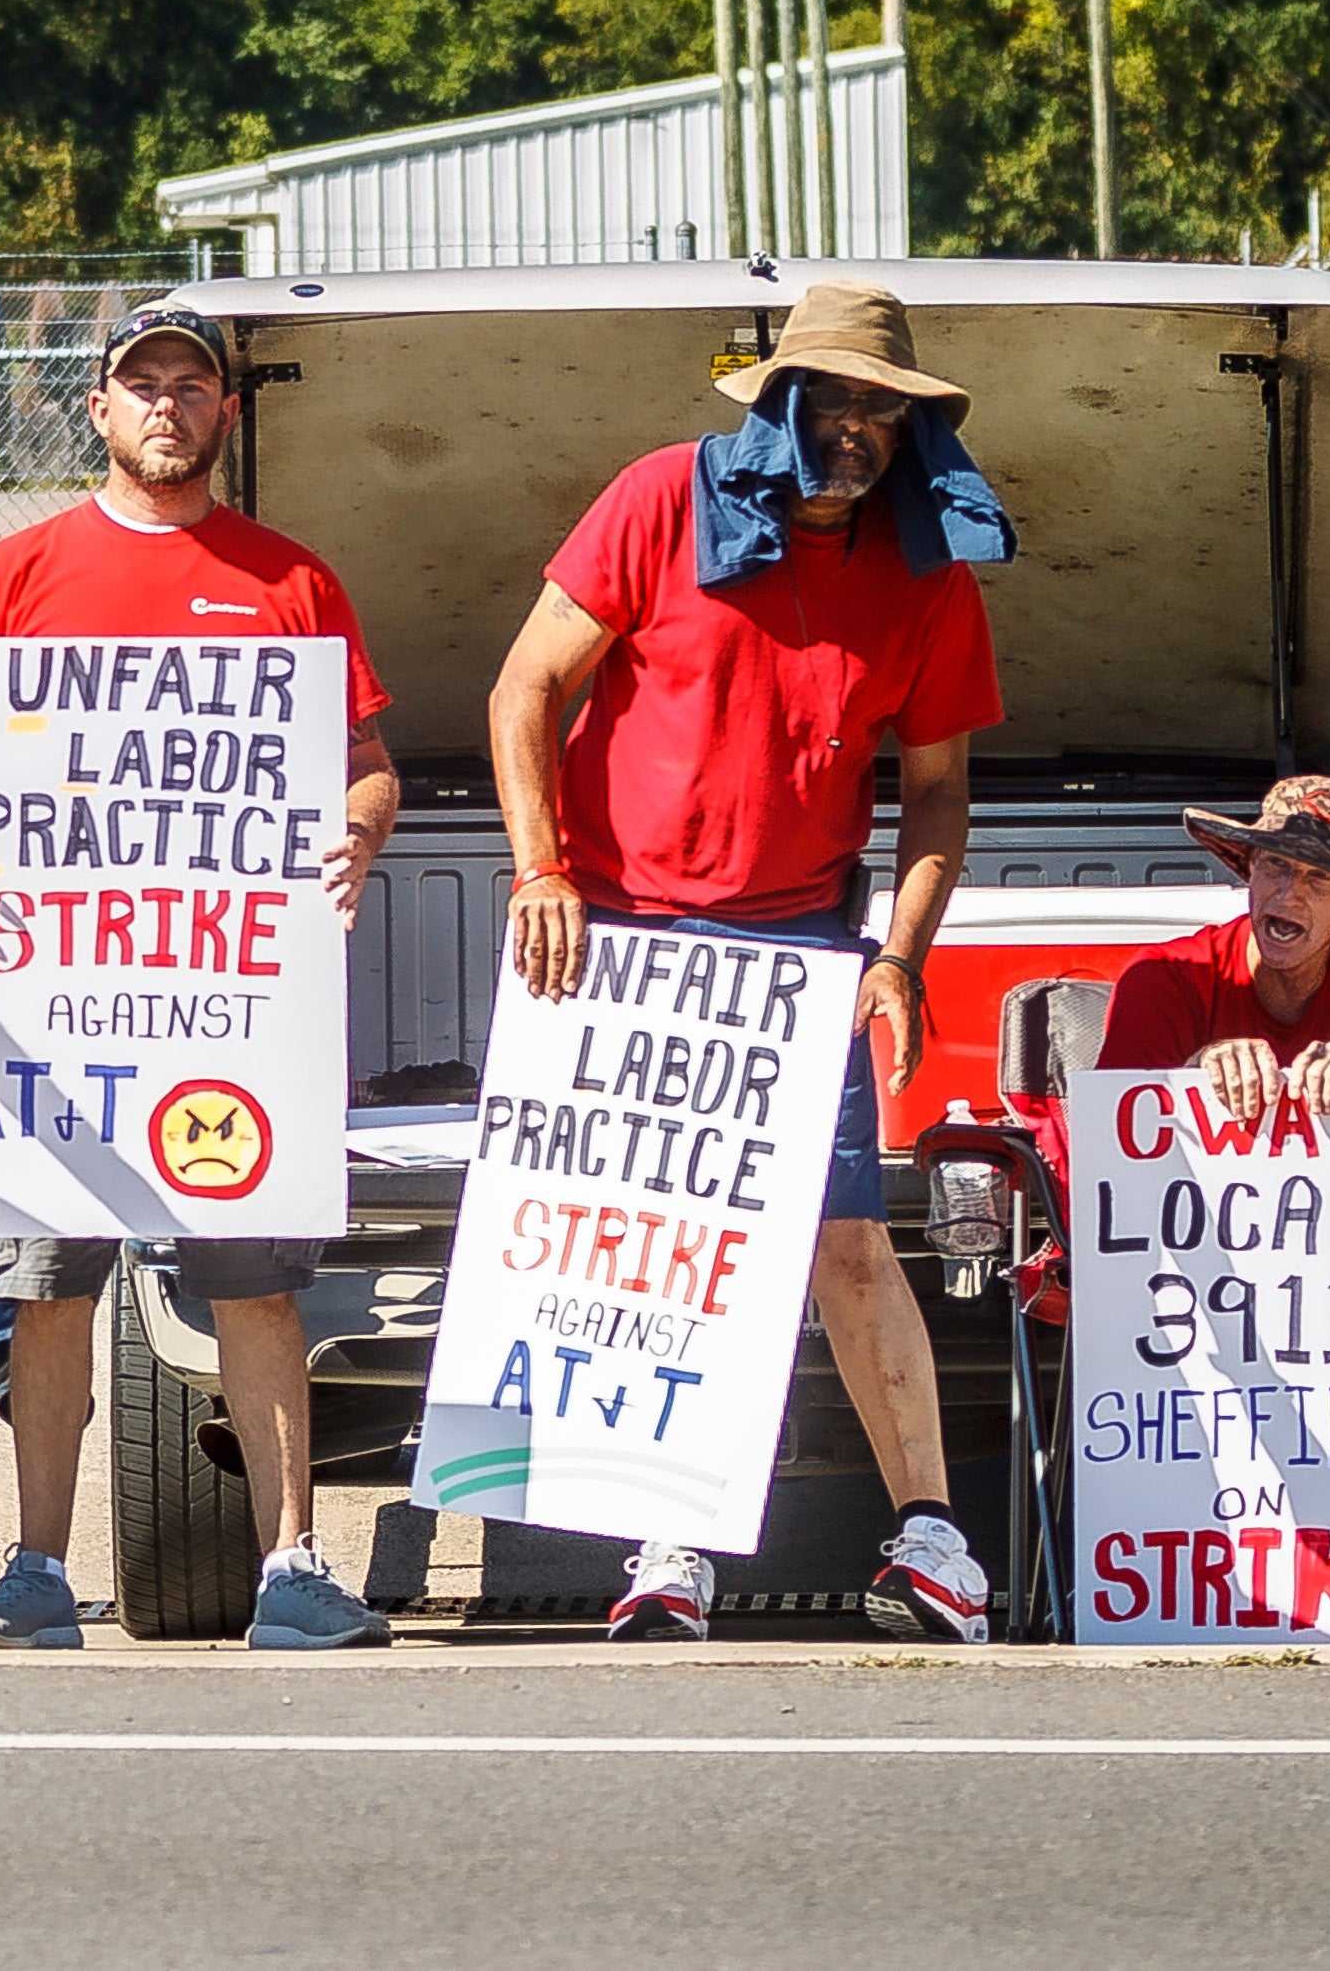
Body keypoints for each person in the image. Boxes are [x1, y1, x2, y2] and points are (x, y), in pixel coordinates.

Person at [485, 279, 1008, 1646]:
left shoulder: (927, 573)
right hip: (626, 943)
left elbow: (939, 791)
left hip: (800, 951)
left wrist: (899, 952)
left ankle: (937, 1544)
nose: (852, 428)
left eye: (879, 409)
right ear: (781, 402)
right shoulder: (663, 497)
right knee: (664, 1253)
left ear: (909, 428)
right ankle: (670, 1543)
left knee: (845, 1238)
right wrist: (544, 870)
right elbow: (524, 686)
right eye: (829, 399)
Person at [0, 300, 405, 1654]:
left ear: (225, 415)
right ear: (100, 408)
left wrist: (356, 833)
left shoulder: (290, 580)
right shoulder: (17, 575)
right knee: (47, 1284)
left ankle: (293, 1571)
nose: (168, 405)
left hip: (230, 1005)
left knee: (256, 1283)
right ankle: (30, 1576)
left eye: (193, 385)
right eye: (144, 384)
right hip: (55, 997)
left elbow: (365, 762)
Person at [1093, 776, 1330, 1122]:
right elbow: (1110, 1135)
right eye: (1276, 863)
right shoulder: (1166, 976)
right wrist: (1194, 1073)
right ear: (1250, 865)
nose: (1289, 893)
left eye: (1320, 876)